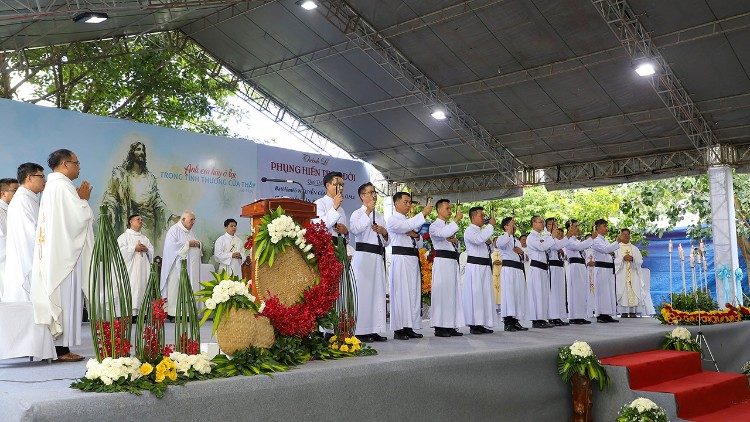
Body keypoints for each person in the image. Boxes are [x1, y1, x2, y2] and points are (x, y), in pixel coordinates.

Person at [31, 149, 93, 362]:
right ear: (65, 164)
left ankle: (61, 348)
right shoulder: (63, 187)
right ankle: (61, 350)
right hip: (65, 258)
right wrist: (84, 200)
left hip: (58, 254)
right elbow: (78, 220)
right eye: (76, 162)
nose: (79, 166)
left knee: (63, 300)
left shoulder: (54, 186)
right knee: (65, 300)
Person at [102, 141, 170, 247]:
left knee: (146, 253)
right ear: (132, 153)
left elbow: (157, 201)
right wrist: (108, 210)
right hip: (128, 222)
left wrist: (170, 215)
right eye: (138, 149)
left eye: (143, 150)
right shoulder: (121, 175)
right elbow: (111, 195)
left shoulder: (150, 178)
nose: (141, 152)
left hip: (148, 225)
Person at [387, 192, 431, 340]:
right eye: (405, 202)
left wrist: (416, 235)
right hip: (401, 259)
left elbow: (418, 243)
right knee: (401, 294)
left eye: (409, 202)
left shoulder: (409, 222)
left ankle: (410, 326)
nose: (408, 205)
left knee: (413, 293)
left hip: (412, 258)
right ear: (396, 204)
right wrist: (423, 214)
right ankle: (399, 329)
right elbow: (405, 226)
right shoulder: (393, 220)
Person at [349, 182, 389, 342]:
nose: (373, 195)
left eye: (374, 192)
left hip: (377, 258)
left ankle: (374, 329)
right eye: (370, 192)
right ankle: (360, 330)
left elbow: (386, 242)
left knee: (377, 294)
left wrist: (384, 232)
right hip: (363, 258)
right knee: (364, 295)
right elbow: (356, 229)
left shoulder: (379, 216)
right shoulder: (357, 214)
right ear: (362, 196)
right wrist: (368, 212)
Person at [3, 163, 45, 303]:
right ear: (29, 178)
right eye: (41, 176)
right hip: (27, 264)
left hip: (31, 260)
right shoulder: (22, 201)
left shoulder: (29, 199)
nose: (44, 180)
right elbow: (31, 236)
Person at [429, 199, 464, 338]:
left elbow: (455, 244)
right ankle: (440, 326)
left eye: (450, 209)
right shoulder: (434, 226)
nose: (450, 211)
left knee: (452, 294)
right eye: (447, 208)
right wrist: (456, 219)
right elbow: (443, 235)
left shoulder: (448, 226)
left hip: (451, 261)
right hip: (442, 262)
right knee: (442, 294)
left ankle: (450, 324)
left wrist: (456, 242)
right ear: (439, 210)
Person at [526, 216, 568, 329]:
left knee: (543, 294)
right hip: (536, 267)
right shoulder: (531, 237)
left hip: (543, 268)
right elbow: (541, 247)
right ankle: (537, 319)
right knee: (538, 294)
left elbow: (550, 246)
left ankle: (542, 318)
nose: (543, 224)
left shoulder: (541, 236)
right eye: (540, 222)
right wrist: (552, 236)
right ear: (534, 223)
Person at [161, 211, 202, 317]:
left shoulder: (191, 232)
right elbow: (171, 246)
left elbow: (196, 242)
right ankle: (174, 314)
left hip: (190, 267)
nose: (193, 222)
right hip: (176, 265)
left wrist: (198, 244)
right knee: (176, 288)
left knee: (190, 286)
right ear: (183, 219)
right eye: (191, 220)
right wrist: (188, 244)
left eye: (194, 220)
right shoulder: (174, 230)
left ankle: (188, 313)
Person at [462, 206, 496, 334]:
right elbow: (477, 240)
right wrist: (490, 226)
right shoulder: (469, 231)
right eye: (481, 215)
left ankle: (482, 322)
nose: (484, 218)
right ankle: (474, 324)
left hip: (485, 266)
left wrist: (490, 243)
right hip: (475, 267)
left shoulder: (482, 232)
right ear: (473, 216)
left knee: (485, 295)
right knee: (476, 295)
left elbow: (490, 249)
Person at [495, 217, 528, 332]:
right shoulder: (503, 237)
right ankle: (508, 321)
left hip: (518, 269)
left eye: (514, 224)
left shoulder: (516, 240)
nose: (514, 226)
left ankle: (515, 320)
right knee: (509, 294)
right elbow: (500, 244)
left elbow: (525, 257)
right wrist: (508, 232)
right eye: (512, 224)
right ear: (506, 226)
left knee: (517, 294)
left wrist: (522, 252)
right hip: (509, 268)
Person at [117, 214, 154, 316]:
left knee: (142, 288)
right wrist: (134, 248)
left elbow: (151, 250)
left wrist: (147, 249)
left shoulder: (144, 238)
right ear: (131, 222)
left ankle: (142, 314)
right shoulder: (124, 237)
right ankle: (129, 314)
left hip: (143, 269)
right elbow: (120, 252)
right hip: (130, 270)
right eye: (138, 219)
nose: (141, 221)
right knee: (131, 288)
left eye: (141, 220)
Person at [563, 220, 595, 324]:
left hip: (581, 266)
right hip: (575, 266)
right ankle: (574, 316)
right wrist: (591, 238)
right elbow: (578, 248)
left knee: (581, 291)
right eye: (575, 226)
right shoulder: (567, 240)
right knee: (575, 292)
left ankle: (581, 315)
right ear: (569, 228)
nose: (578, 228)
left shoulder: (576, 240)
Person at [591, 219, 621, 323]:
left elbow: (610, 251)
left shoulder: (605, 240)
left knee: (609, 292)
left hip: (608, 268)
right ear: (598, 228)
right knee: (602, 292)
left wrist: (612, 251)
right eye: (604, 226)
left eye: (606, 226)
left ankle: (607, 313)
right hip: (601, 268)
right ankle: (600, 315)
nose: (606, 228)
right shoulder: (595, 240)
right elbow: (606, 250)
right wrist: (617, 241)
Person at [615, 228, 645, 318]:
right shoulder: (616, 248)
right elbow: (613, 261)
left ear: (630, 236)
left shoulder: (635, 249)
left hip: (633, 273)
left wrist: (633, 259)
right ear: (620, 235)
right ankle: (623, 312)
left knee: (634, 290)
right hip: (622, 274)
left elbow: (640, 261)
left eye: (627, 234)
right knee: (623, 291)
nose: (625, 236)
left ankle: (633, 312)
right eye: (623, 234)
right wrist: (622, 259)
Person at [314, 171, 349, 246]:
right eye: (337, 185)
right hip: (326, 248)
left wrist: (345, 232)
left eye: (342, 185)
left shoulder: (341, 209)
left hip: (342, 250)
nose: (341, 188)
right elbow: (319, 227)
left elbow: (346, 239)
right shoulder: (319, 203)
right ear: (327, 185)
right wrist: (334, 207)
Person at [0, 178, 18, 300]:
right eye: (15, 191)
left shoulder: (13, 210)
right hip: (4, 263)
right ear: (3, 193)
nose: (18, 195)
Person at [548, 228, 569, 326]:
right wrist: (568, 236)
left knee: (560, 293)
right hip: (553, 267)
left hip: (560, 267)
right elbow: (555, 247)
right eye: (557, 232)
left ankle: (559, 316)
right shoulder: (550, 240)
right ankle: (553, 316)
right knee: (554, 293)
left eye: (561, 233)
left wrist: (563, 253)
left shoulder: (561, 243)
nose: (559, 234)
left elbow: (565, 256)